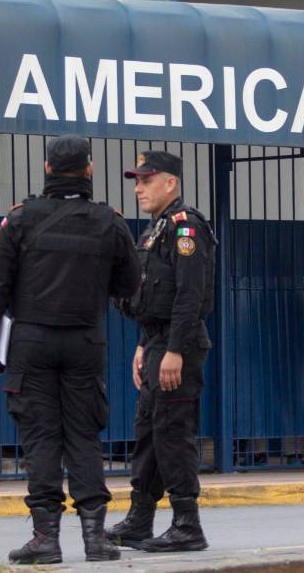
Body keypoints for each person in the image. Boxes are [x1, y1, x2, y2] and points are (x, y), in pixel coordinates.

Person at [0, 135, 141, 564]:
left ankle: (45, 538)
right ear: (90, 170)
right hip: (85, 341)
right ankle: (95, 538)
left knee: (41, 437)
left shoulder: (19, 220)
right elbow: (130, 284)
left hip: (30, 342)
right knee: (83, 435)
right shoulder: (110, 222)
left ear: (47, 169)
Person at [106, 150, 215, 553]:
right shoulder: (157, 229)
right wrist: (143, 344)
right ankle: (140, 519)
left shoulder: (186, 227)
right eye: (137, 181)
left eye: (146, 180)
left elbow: (190, 295)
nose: (139, 188)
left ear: (170, 183)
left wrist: (175, 350)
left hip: (177, 344)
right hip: (155, 342)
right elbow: (152, 295)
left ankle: (188, 524)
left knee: (172, 433)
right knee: (149, 433)